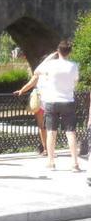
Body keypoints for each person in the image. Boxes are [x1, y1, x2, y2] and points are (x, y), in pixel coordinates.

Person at [33, 41, 81, 171]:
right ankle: (75, 163)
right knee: (71, 132)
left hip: (51, 101)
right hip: (68, 101)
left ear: (58, 51)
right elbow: (75, 81)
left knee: (51, 132)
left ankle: (51, 161)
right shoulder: (74, 66)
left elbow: (36, 71)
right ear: (69, 52)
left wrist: (49, 57)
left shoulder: (50, 65)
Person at [14, 66, 47, 156]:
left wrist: (21, 91)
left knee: (41, 126)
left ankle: (46, 148)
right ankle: (51, 148)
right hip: (51, 102)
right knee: (51, 127)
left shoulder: (38, 74)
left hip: (40, 103)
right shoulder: (53, 74)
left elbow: (30, 84)